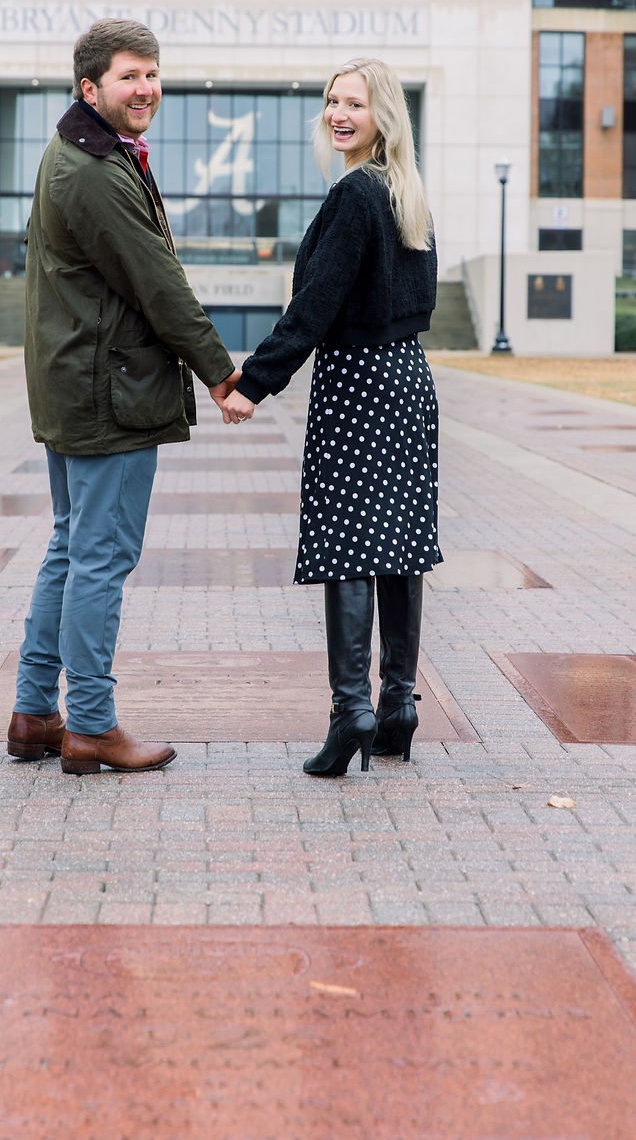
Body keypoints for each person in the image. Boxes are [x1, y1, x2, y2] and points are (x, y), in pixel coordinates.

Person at [7, 19, 239, 775]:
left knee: (71, 546)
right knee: (100, 556)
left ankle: (35, 712)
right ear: (90, 87)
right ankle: (93, 726)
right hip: (107, 392)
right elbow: (159, 285)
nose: (146, 89)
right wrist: (219, 371)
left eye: (152, 74)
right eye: (129, 77)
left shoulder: (75, 152)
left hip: (78, 383)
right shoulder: (96, 172)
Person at [220, 57, 440, 777]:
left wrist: (254, 382)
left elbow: (313, 306)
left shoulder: (354, 194)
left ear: (383, 116)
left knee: (349, 539)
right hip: (408, 378)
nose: (338, 113)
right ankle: (398, 703)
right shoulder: (405, 191)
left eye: (355, 102)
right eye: (331, 100)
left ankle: (353, 710)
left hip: (357, 381)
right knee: (399, 540)